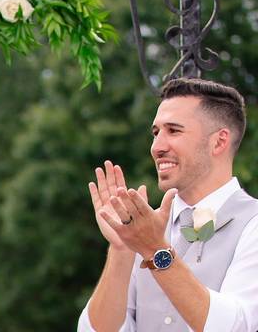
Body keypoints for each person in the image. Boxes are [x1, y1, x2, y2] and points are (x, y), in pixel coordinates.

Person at [79, 77, 258, 331]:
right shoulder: (141, 230)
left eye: (173, 130)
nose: (157, 147)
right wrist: (121, 249)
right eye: (156, 133)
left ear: (219, 141)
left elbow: (237, 326)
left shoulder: (253, 223)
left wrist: (155, 250)